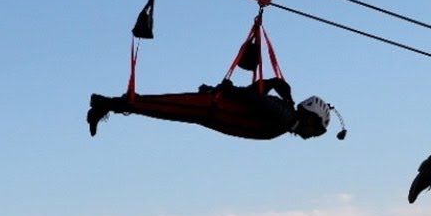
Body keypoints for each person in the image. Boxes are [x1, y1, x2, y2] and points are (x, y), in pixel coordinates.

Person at [86, 78, 336, 140]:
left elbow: (253, 99)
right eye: (315, 131)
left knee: (154, 106)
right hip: (209, 108)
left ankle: (103, 103)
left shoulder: (284, 117)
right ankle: (103, 103)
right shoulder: (284, 117)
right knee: (153, 105)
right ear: (310, 119)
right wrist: (229, 90)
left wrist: (274, 86)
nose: (310, 136)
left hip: (210, 109)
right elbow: (253, 100)